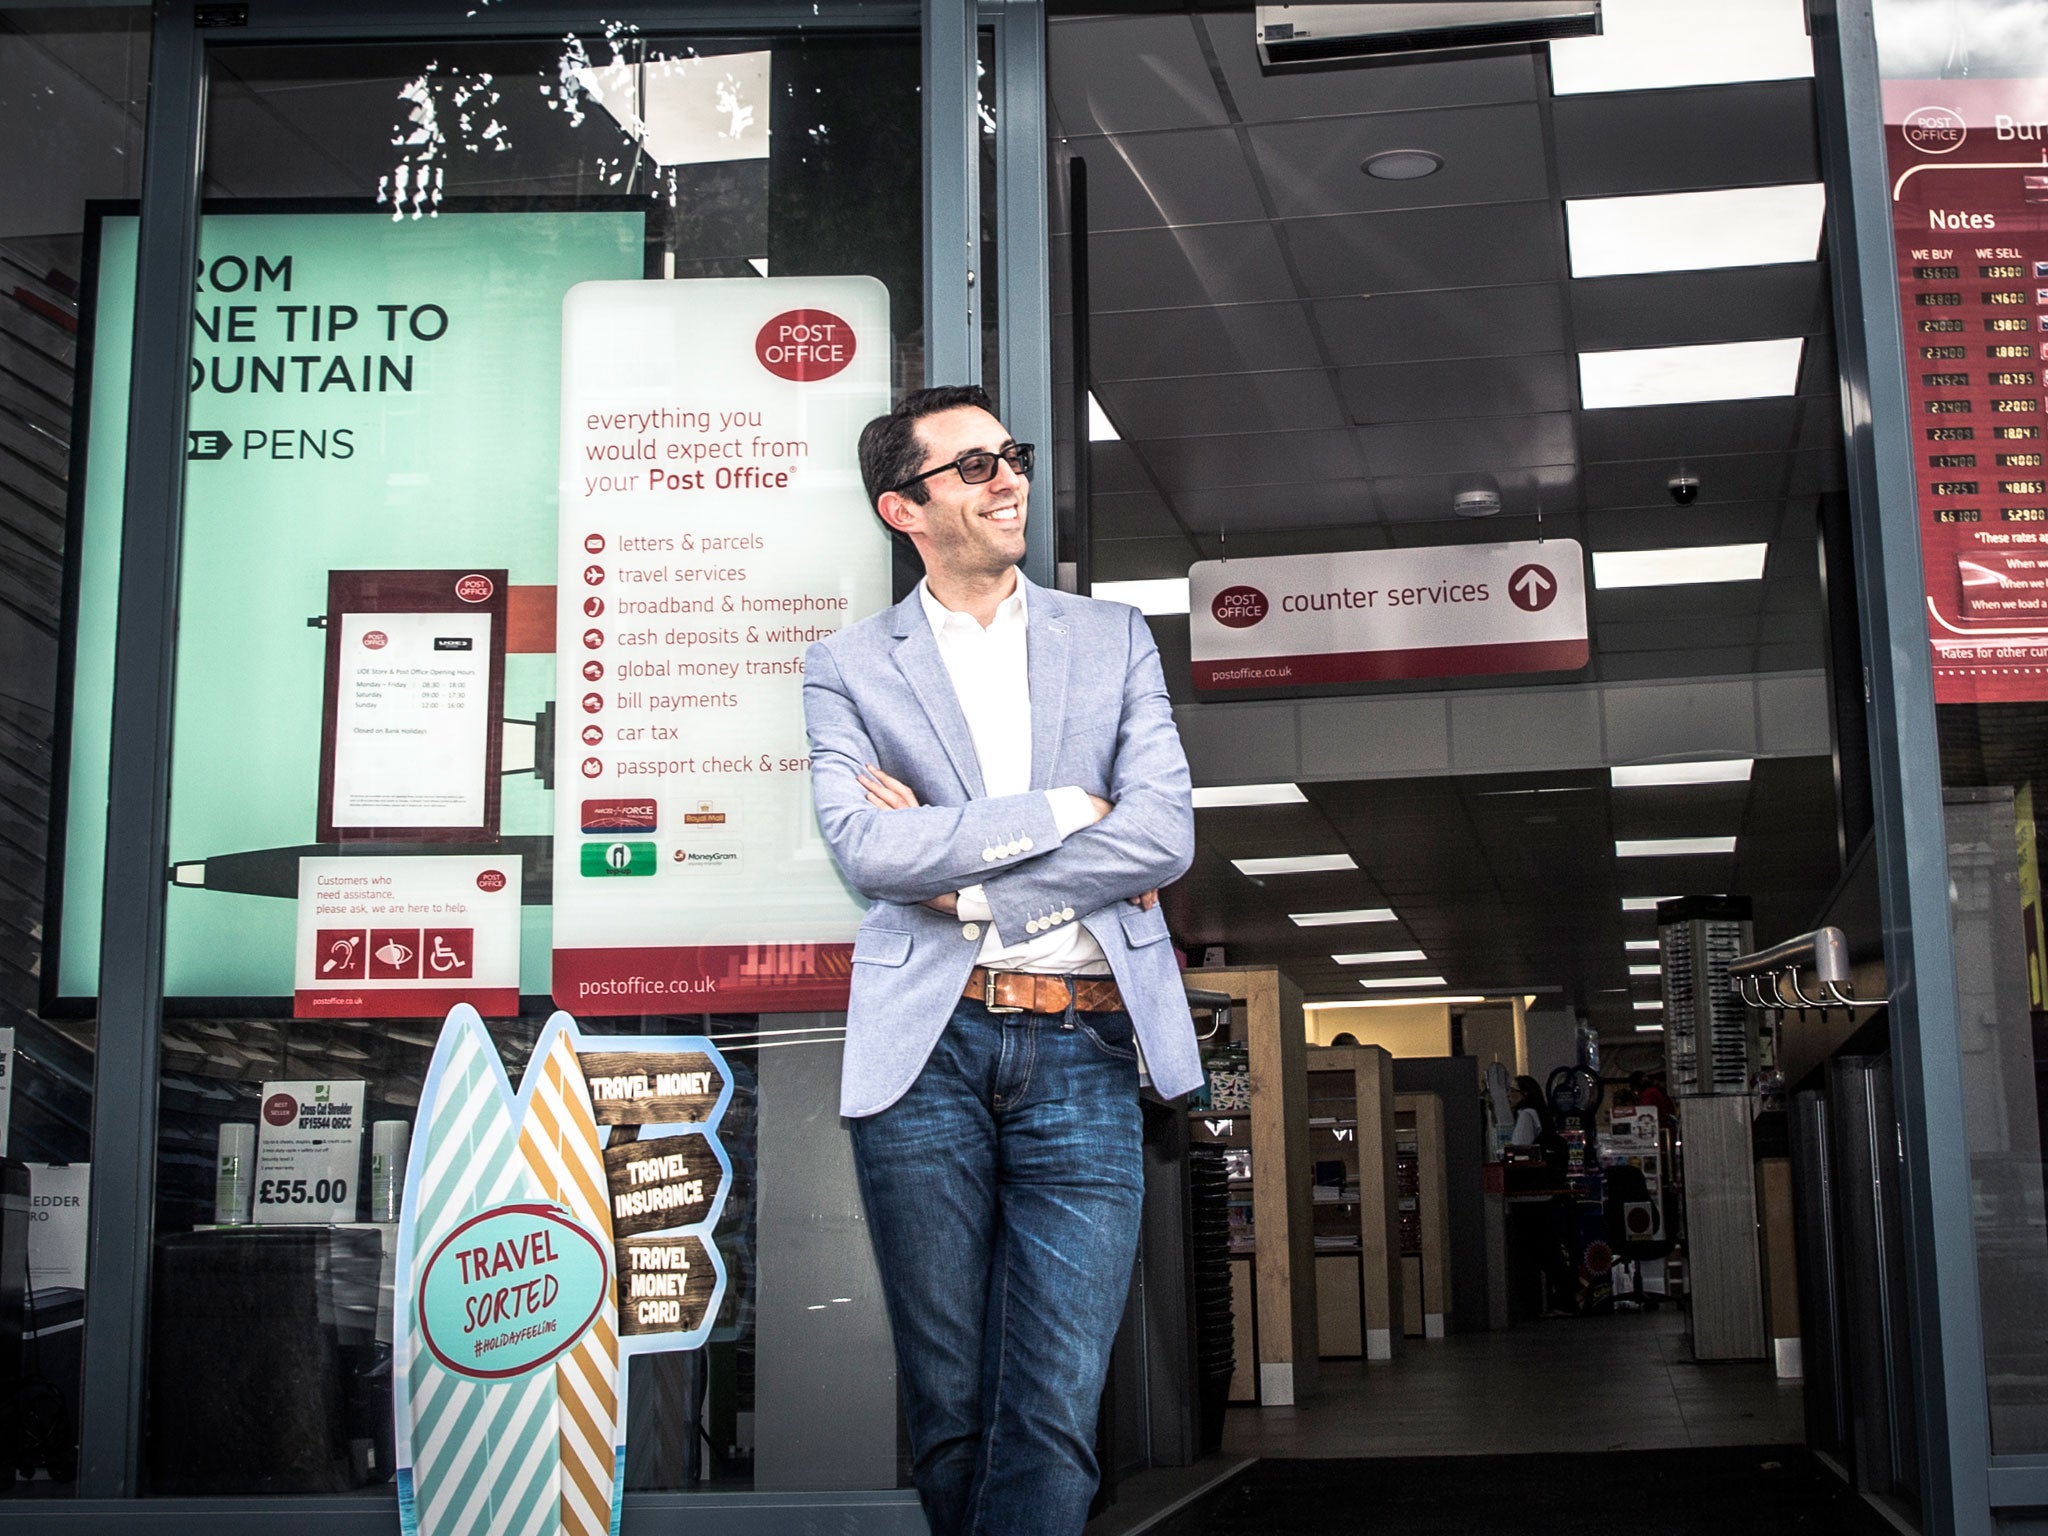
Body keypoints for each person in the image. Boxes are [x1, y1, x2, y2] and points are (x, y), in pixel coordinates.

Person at [801, 384, 1200, 1536]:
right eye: (972, 467)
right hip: (925, 1052)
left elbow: (1160, 834)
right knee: (950, 1405)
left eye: (1009, 457)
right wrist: (1067, 809)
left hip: (1084, 1043)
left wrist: (971, 886)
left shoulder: (1112, 636)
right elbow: (867, 846)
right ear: (902, 508)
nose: (1008, 479)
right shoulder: (847, 665)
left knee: (1051, 1403)